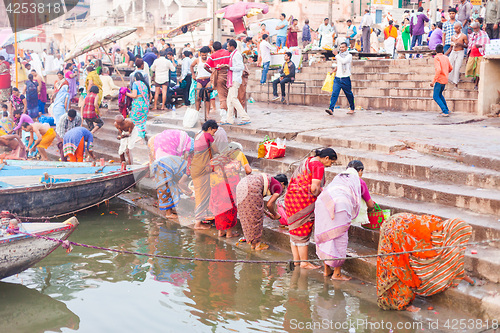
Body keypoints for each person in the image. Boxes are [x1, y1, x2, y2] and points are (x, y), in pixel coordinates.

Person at [377, 213, 474, 312]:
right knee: (403, 268)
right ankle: (401, 303)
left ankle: (392, 299)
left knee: (396, 265)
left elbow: (455, 266)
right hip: (396, 231)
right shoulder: (439, 239)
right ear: (456, 234)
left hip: (393, 222)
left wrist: (469, 280)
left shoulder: (438, 226)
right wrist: (469, 281)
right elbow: (451, 265)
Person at [284, 148, 337, 269]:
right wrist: (324, 193)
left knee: (294, 230)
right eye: (331, 162)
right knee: (303, 231)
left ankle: (296, 261)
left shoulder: (308, 160)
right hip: (302, 202)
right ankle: (304, 262)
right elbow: (314, 189)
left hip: (291, 198)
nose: (330, 165)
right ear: (326, 158)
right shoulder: (319, 165)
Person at [315, 167, 364, 281]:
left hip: (323, 201)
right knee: (339, 239)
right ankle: (337, 274)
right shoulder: (357, 180)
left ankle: (326, 270)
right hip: (340, 205)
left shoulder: (339, 177)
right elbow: (359, 200)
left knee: (326, 236)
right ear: (359, 172)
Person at [210, 143, 252, 238]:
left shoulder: (221, 155)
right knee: (230, 207)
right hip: (230, 183)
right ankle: (229, 233)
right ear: (238, 149)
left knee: (219, 206)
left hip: (215, 184)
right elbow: (248, 170)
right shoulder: (239, 154)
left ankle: (221, 232)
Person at [237, 173, 288, 250]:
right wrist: (275, 214)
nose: (283, 189)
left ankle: (253, 243)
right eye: (284, 187)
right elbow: (269, 204)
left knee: (247, 214)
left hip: (241, 184)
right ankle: (257, 245)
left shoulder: (269, 180)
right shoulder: (279, 187)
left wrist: (268, 214)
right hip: (252, 187)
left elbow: (258, 206)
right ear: (282, 183)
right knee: (257, 217)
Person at [191, 120, 218, 230]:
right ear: (210, 128)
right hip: (202, 169)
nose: (214, 134)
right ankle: (198, 223)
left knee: (200, 193)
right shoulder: (207, 136)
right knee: (201, 195)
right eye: (214, 131)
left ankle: (201, 219)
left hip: (195, 168)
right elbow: (216, 150)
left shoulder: (198, 134)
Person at [151, 154, 192, 218]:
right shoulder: (189, 170)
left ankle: (171, 210)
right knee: (166, 190)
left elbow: (178, 182)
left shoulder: (188, 165)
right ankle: (168, 214)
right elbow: (181, 182)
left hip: (163, 166)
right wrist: (189, 191)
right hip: (163, 168)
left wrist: (183, 189)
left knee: (172, 188)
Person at [222, 40, 251, 126]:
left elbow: (240, 67)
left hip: (235, 79)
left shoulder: (237, 55)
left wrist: (230, 68)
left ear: (232, 46)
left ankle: (245, 117)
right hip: (232, 79)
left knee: (233, 98)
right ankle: (229, 119)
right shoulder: (232, 55)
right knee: (229, 100)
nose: (227, 48)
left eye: (228, 46)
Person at [325, 42, 355, 115]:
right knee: (334, 93)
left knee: (349, 94)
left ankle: (352, 108)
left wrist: (336, 55)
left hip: (345, 78)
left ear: (346, 48)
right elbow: (339, 65)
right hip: (338, 78)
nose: (341, 49)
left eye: (343, 47)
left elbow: (343, 61)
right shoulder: (339, 56)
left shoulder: (349, 56)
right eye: (340, 47)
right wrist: (333, 71)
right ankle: (331, 109)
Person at [205, 41, 231, 119]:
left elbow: (205, 66)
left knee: (222, 96)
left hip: (220, 76)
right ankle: (231, 114)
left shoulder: (213, 55)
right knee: (230, 95)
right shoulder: (228, 53)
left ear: (213, 48)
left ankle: (224, 116)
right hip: (230, 75)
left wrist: (212, 72)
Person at [347, 161, 376, 227]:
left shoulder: (340, 177)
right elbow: (370, 205)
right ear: (360, 171)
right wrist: (370, 209)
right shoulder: (360, 182)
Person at [126, 72, 150, 142]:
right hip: (145, 104)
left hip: (138, 104)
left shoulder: (135, 84)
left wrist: (126, 93)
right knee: (142, 120)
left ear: (135, 78)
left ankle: (138, 135)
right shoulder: (145, 84)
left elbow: (134, 95)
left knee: (135, 119)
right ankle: (141, 134)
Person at [465, 22, 490, 89]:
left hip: (480, 54)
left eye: (475, 28)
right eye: (473, 29)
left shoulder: (484, 34)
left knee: (478, 69)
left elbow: (487, 44)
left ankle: (476, 84)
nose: (474, 30)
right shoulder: (472, 34)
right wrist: (467, 56)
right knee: (469, 68)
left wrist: (480, 46)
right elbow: (469, 45)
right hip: (472, 54)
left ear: (479, 28)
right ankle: (474, 77)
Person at [190, 46, 212, 118]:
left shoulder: (210, 59)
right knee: (198, 97)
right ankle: (197, 111)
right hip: (199, 79)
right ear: (200, 54)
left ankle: (208, 113)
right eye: (202, 55)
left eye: (205, 55)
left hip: (208, 79)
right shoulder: (197, 60)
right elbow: (191, 66)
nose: (204, 57)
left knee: (207, 97)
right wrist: (193, 74)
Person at [431, 44, 453, 117]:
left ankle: (445, 111)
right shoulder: (446, 57)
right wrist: (446, 72)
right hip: (445, 79)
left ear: (435, 51)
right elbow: (451, 68)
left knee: (435, 96)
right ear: (443, 50)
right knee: (440, 94)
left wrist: (433, 81)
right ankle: (446, 109)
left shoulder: (436, 58)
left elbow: (438, 70)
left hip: (439, 79)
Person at [445, 22, 468, 87]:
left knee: (457, 67)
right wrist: (445, 54)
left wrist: (460, 44)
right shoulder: (452, 37)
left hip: (460, 52)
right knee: (449, 66)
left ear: (460, 28)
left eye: (457, 28)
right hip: (453, 52)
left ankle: (455, 83)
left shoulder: (464, 36)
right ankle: (449, 80)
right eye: (454, 28)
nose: (455, 29)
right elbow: (451, 47)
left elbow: (467, 46)